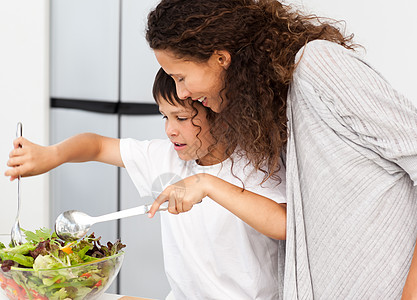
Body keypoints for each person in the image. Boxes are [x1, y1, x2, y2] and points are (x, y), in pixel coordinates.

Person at [145, 0, 417, 299]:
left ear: (221, 57)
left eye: (181, 77)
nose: (183, 93)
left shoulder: (318, 65)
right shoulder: (270, 109)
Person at [5, 68, 287, 300]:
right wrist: (52, 155)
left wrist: (207, 184)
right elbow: (97, 146)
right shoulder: (166, 158)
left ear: (225, 117)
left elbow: (284, 225)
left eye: (182, 117)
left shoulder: (257, 166)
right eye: (165, 116)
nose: (170, 129)